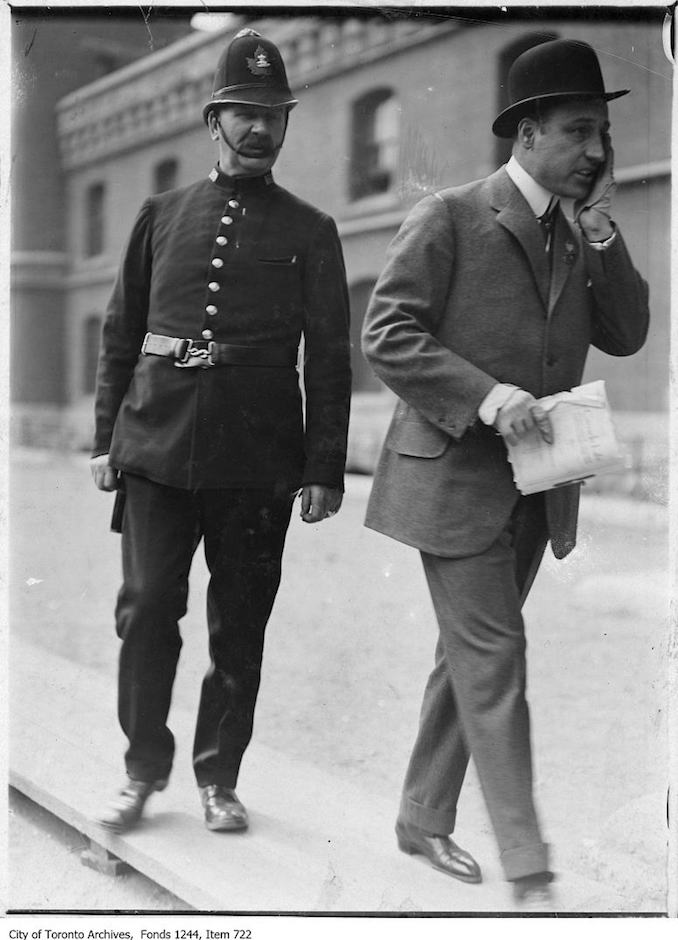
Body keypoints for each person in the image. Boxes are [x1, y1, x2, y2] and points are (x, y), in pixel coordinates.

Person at [361, 38, 649, 907]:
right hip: (450, 481)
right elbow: (387, 333)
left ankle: (421, 814)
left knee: (467, 656)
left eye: (602, 131)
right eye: (579, 131)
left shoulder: (579, 227)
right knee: (495, 657)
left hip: (537, 484)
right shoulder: (450, 215)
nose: (597, 152)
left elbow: (628, 332)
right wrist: (490, 398)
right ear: (526, 133)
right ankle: (531, 869)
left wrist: (602, 228)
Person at [90, 28, 351, 835]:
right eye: (243, 110)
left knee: (239, 624)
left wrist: (324, 467)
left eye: (273, 113)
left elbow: (331, 357)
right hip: (155, 448)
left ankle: (217, 779)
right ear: (214, 119)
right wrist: (105, 439)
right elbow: (121, 331)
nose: (258, 127)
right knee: (144, 609)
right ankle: (141, 769)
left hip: (257, 460)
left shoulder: (312, 231)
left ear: (284, 124)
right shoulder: (159, 214)